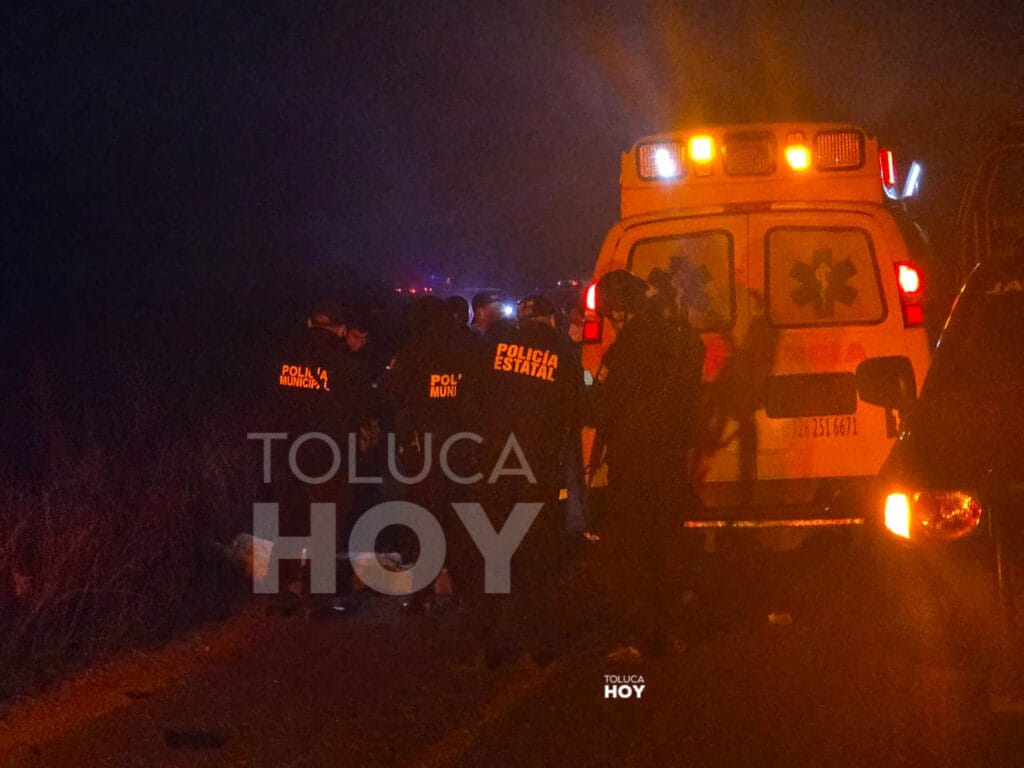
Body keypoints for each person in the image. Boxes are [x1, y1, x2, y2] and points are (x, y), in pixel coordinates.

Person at [458, 293, 582, 666]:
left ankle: (489, 641)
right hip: (536, 466)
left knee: (493, 552)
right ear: (550, 319)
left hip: (494, 463)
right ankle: (535, 642)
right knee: (534, 552)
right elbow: (576, 406)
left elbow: (469, 399)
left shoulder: (493, 348)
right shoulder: (561, 352)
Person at [586, 269, 705, 656]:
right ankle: (676, 631)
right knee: (669, 541)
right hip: (671, 458)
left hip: (633, 462)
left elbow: (600, 407)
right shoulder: (681, 338)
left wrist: (584, 390)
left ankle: (641, 635)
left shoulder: (626, 349)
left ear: (620, 311)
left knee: (633, 548)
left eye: (609, 315)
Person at [262, 300, 373, 612]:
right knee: (325, 523)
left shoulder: (284, 353)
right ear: (340, 329)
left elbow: (269, 398)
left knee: (289, 521)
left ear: (310, 323)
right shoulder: (345, 361)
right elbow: (362, 406)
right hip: (328, 454)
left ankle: (280, 592)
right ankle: (317, 600)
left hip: (287, 449)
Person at [380, 295, 478, 612]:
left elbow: (391, 394)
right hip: (462, 447)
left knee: (425, 517)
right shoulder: (468, 347)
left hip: (423, 448)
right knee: (460, 517)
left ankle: (423, 593)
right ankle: (464, 590)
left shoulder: (412, 351)